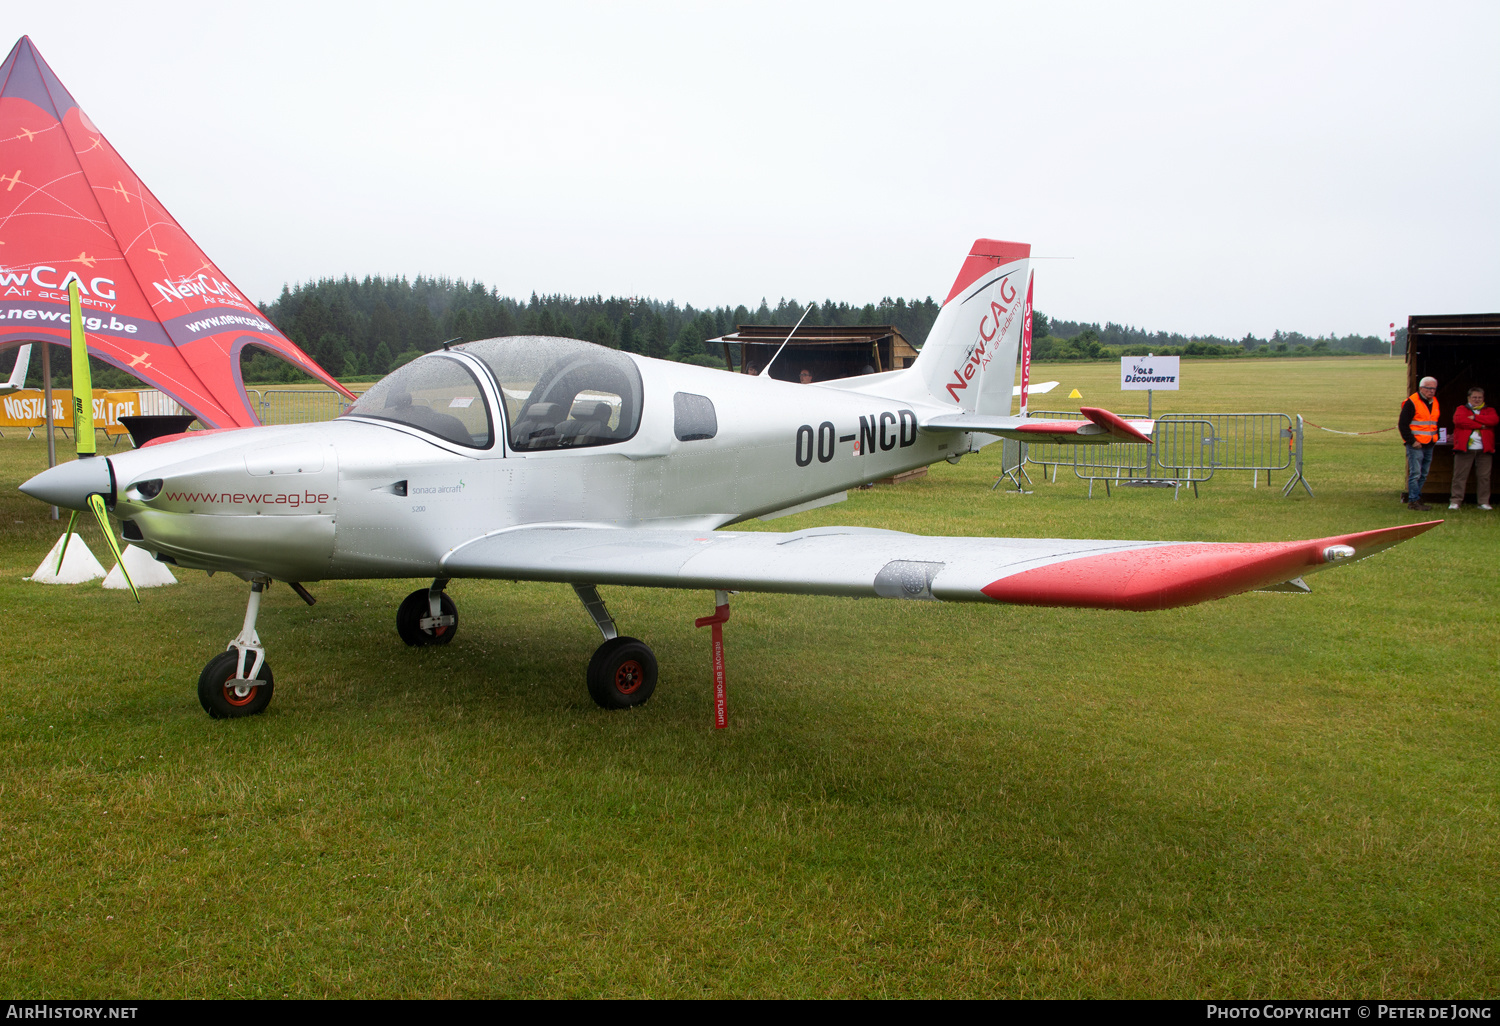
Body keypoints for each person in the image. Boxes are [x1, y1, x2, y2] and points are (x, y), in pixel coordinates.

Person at [1449, 386, 1497, 510]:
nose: (1477, 400)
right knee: (1460, 476)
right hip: (1465, 448)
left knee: (1484, 477)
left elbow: (1493, 420)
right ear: (1469, 398)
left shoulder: (1489, 410)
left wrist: (1475, 417)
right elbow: (1460, 421)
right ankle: (1455, 501)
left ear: (1483, 398)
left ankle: (1483, 502)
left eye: (1479, 397)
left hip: (1484, 449)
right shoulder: (1461, 409)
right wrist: (1482, 426)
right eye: (1474, 397)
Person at [1399, 376, 1440, 511]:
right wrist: (1412, 441)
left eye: (1433, 388)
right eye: (1428, 388)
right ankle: (1413, 501)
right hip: (1416, 444)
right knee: (1415, 473)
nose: (1431, 391)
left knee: (1423, 474)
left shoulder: (1434, 402)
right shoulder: (1412, 402)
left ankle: (1417, 497)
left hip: (1429, 443)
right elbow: (1403, 425)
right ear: (1421, 388)